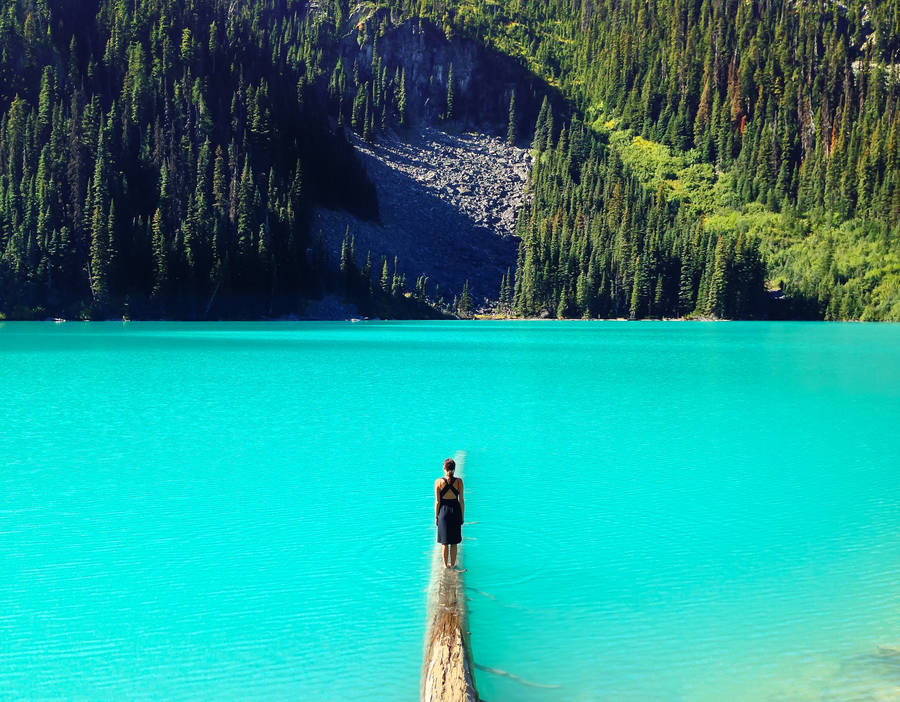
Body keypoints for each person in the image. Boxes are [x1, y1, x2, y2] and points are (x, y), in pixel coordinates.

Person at [434, 457, 464, 569]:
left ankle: (445, 565)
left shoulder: (438, 482)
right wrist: (462, 516)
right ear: (454, 469)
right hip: (455, 511)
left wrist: (436, 516)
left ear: (444, 468)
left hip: (443, 513)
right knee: (454, 542)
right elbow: (461, 501)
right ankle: (453, 564)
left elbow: (437, 502)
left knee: (445, 542)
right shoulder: (459, 482)